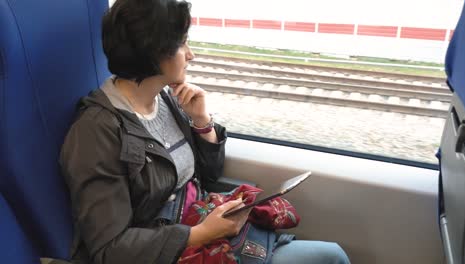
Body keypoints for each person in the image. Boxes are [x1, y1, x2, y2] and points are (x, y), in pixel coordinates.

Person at [59, 0, 351, 263]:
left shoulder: (165, 99)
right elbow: (110, 249)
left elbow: (207, 176)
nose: (191, 54)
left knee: (331, 255)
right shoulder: (96, 133)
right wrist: (200, 233)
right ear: (153, 52)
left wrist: (201, 121)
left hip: (197, 227)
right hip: (171, 248)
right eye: (182, 44)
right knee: (330, 257)